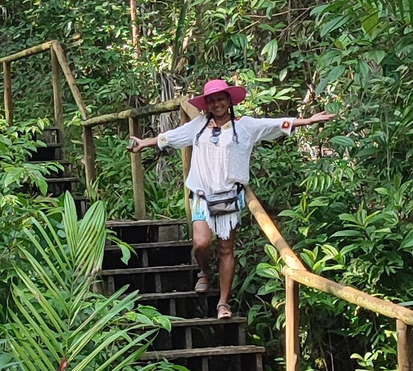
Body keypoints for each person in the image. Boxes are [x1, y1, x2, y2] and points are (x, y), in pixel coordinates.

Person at [128, 79, 335, 319]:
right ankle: (204, 271)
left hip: (230, 196)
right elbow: (172, 137)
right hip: (202, 195)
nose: (217, 104)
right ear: (206, 104)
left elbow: (275, 124)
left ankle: (223, 303)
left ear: (229, 101)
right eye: (212, 100)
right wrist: (144, 143)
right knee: (201, 243)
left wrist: (307, 121)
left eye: (221, 99)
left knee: (226, 248)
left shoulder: (245, 126)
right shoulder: (198, 125)